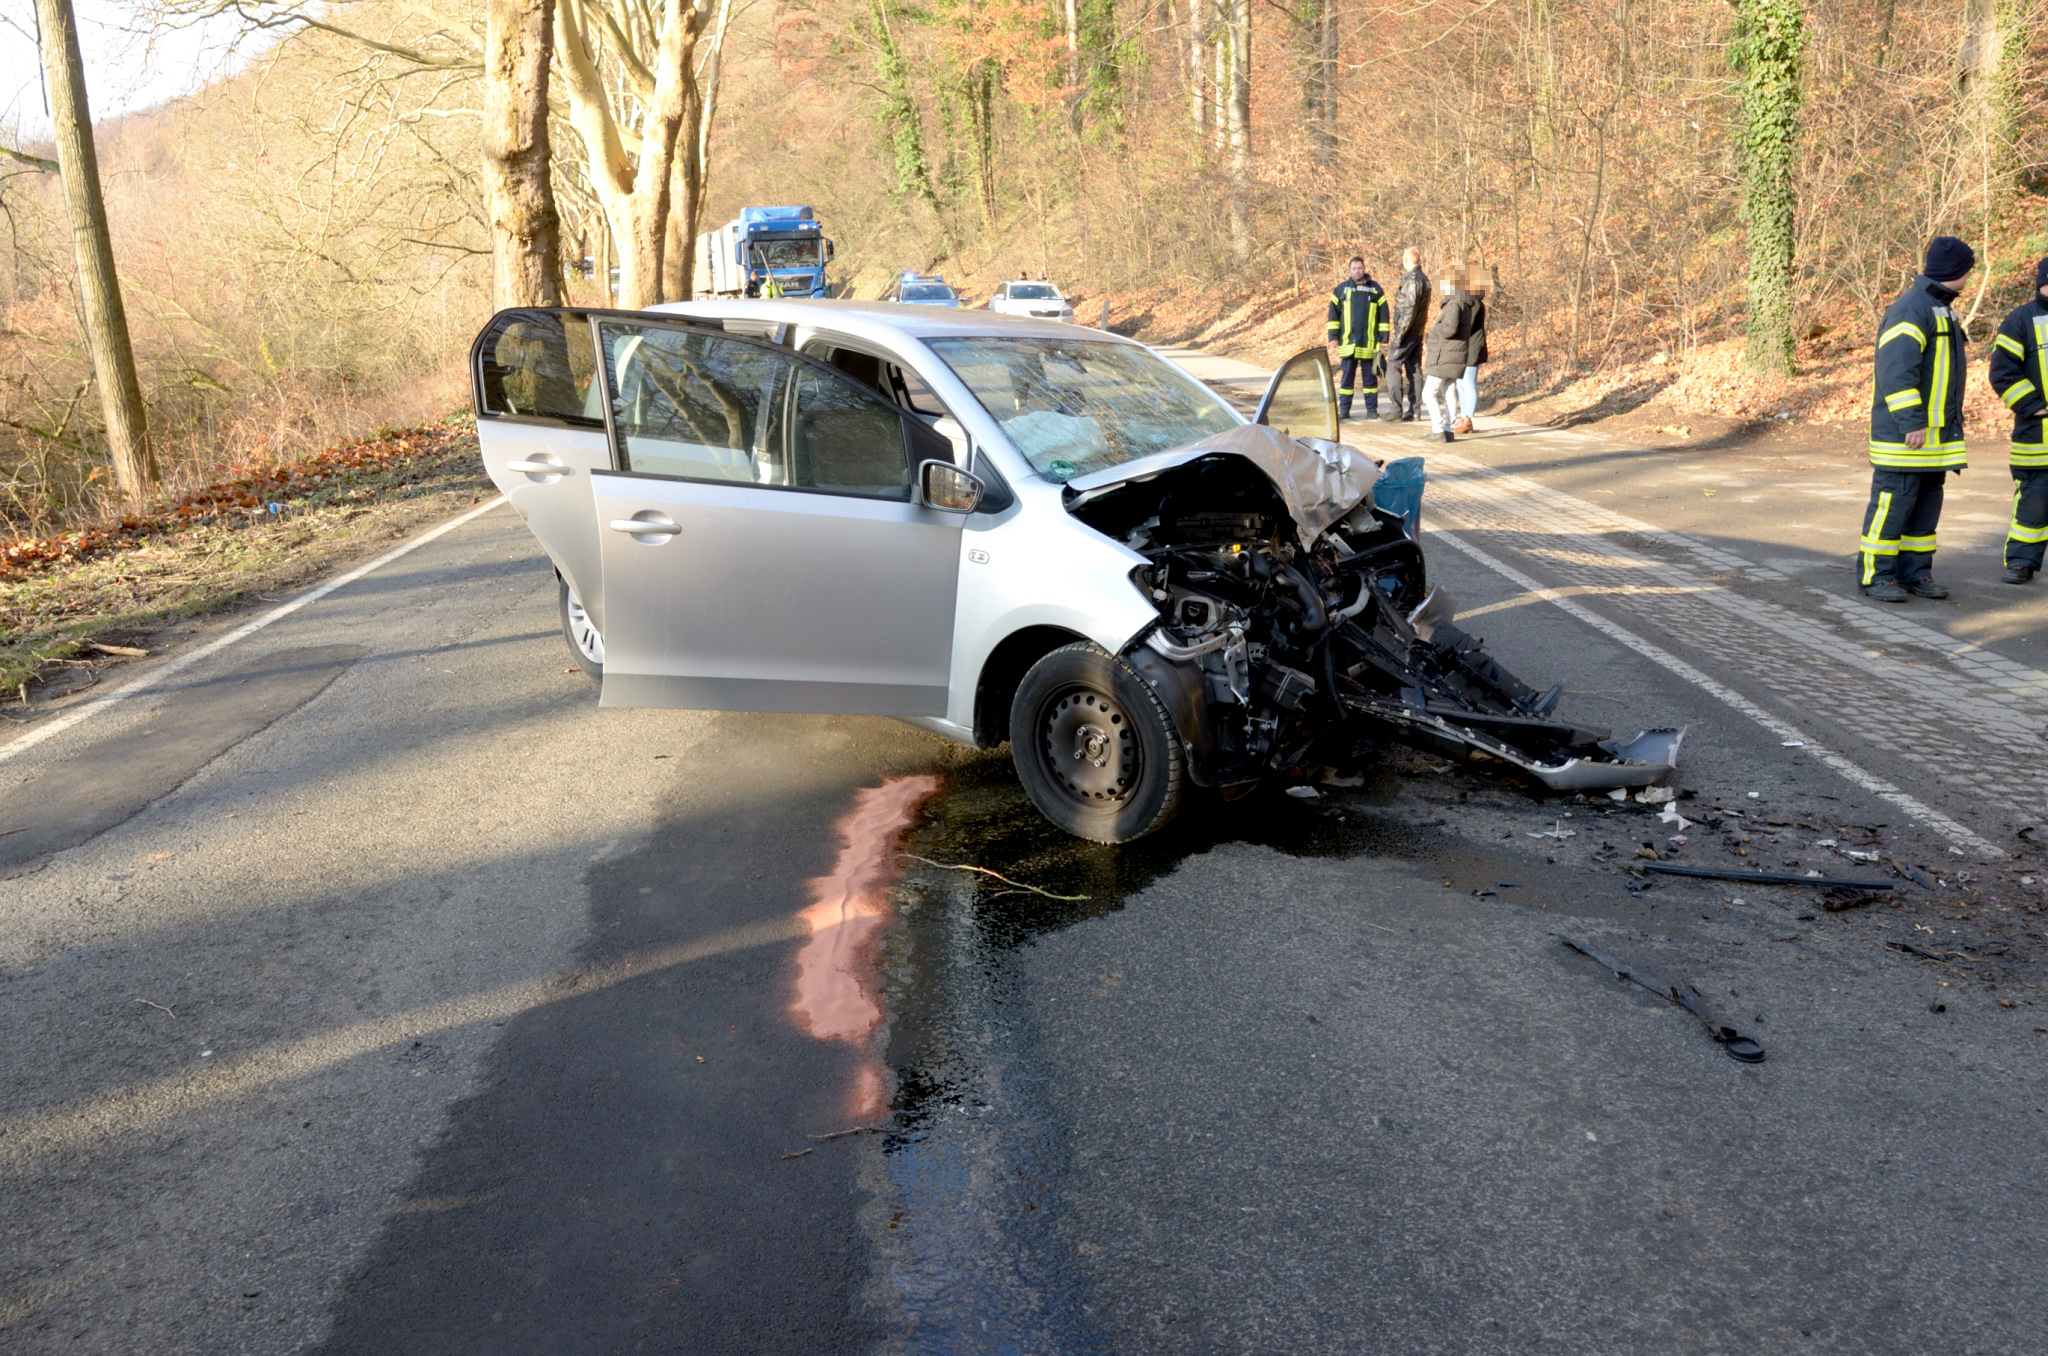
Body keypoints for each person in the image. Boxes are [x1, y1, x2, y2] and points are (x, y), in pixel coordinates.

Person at [1859, 236, 1975, 603]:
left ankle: (1914, 573)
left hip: (1934, 438)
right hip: (1906, 436)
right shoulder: (1913, 308)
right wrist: (1911, 421)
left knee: (1924, 510)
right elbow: (1897, 372)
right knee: (1893, 506)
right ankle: (1875, 575)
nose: (1972, 273)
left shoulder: (1938, 307)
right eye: (1969, 267)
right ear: (1956, 270)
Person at [1988, 256, 2048, 584]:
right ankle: (2021, 561)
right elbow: (2002, 371)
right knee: (2035, 502)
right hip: (2038, 435)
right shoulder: (2021, 320)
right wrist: (2034, 406)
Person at [1326, 256, 1390, 420]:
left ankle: (1372, 410)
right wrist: (1333, 337)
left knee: (1370, 381)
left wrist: (1383, 336)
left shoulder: (1375, 289)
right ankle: (1344, 410)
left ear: (1364, 269)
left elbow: (1384, 314)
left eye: (1360, 268)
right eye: (1354, 268)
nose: (1357, 271)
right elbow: (1333, 316)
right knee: (1347, 380)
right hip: (1348, 343)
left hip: (1369, 343)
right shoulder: (1341, 290)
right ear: (1349, 271)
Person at [1421, 268, 1479, 443]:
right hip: (1455, 356)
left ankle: (1438, 429)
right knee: (1449, 391)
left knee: (1428, 393)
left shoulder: (1454, 303)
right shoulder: (1466, 303)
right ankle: (1448, 430)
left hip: (1445, 356)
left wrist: (1434, 330)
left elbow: (1449, 329)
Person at [1386, 247, 1431, 421]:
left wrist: (1399, 337)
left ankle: (1396, 409)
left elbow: (1409, 311)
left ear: (1406, 260)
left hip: (1408, 331)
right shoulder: (1424, 279)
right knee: (1414, 369)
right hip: (1417, 331)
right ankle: (1415, 410)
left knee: (1393, 365)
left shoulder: (1413, 281)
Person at [1453, 273, 1489, 434]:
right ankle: (1464, 417)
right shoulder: (1469, 301)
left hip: (1473, 347)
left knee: (1468, 384)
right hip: (1465, 346)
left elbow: (1468, 325)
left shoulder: (1473, 302)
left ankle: (1469, 418)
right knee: (1460, 384)